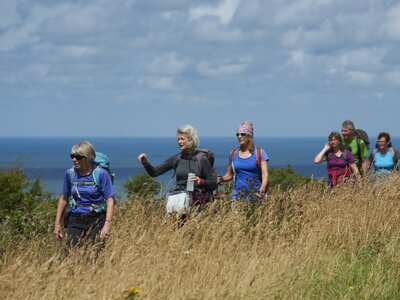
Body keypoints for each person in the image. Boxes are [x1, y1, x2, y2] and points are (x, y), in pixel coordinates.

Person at [137, 125, 217, 209]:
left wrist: (200, 181)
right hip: (179, 202)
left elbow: (213, 184)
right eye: (178, 139)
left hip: (198, 206)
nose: (179, 142)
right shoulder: (177, 158)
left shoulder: (201, 159)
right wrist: (145, 163)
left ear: (191, 139)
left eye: (182, 139)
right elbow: (155, 173)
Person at [54, 141, 115, 249]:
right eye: (72, 156)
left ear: (87, 158)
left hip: (97, 219)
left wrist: (107, 224)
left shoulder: (101, 174)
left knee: (94, 254)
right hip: (75, 219)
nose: (74, 159)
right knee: (71, 253)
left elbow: (110, 200)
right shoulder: (70, 174)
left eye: (78, 157)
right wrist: (57, 223)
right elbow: (63, 199)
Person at [217, 121, 269, 201]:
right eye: (237, 134)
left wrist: (262, 188)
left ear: (250, 136)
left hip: (257, 197)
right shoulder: (233, 154)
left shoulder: (260, 153)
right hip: (237, 197)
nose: (239, 136)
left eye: (242, 134)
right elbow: (230, 175)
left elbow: (265, 175)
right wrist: (221, 179)